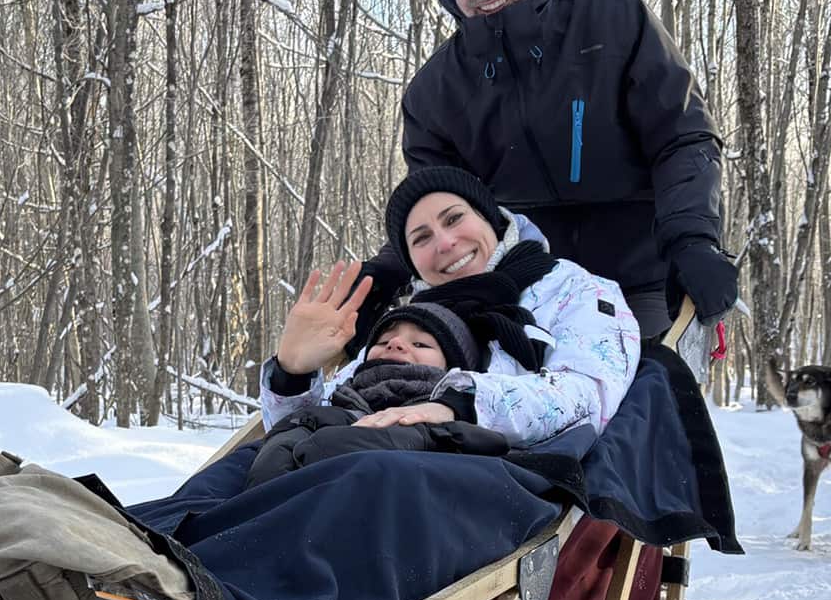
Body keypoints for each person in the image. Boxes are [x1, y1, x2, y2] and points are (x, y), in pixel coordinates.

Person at [360, 0, 737, 342]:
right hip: (523, 295)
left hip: (641, 284)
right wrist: (381, 278)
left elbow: (681, 138)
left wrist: (692, 239)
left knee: (650, 384)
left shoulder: (615, 23)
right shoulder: (435, 93)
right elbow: (435, 206)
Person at [261, 166, 642, 450]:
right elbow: (316, 424)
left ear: (489, 218)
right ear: (412, 262)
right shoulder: (411, 323)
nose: (445, 243)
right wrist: (292, 376)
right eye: (421, 238)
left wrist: (459, 405)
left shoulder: (574, 288)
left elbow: (588, 396)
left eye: (454, 218)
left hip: (507, 483)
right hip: (382, 466)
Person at [245, 301, 512, 487]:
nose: (395, 343)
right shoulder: (333, 405)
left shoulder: (459, 422)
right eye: (383, 341)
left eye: (420, 343)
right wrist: (291, 375)